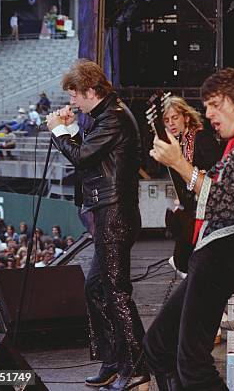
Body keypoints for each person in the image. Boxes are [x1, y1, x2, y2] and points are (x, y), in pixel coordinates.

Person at [144, 68, 234, 391]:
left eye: (215, 105)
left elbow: (228, 202)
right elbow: (213, 192)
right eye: (206, 106)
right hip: (211, 251)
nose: (207, 115)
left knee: (192, 362)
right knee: (158, 345)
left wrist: (181, 165)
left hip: (224, 253)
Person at [46, 59, 148, 390]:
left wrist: (58, 131)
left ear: (90, 91)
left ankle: (136, 365)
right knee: (96, 289)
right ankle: (115, 360)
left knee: (116, 291)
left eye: (74, 95)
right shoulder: (107, 115)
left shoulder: (114, 117)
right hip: (111, 212)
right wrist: (72, 130)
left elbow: (83, 157)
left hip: (114, 214)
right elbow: (96, 152)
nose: (71, 102)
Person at [160, 96, 221, 275]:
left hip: (208, 205)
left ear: (186, 117)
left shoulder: (201, 137)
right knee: (184, 259)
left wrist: (199, 175)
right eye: (167, 120)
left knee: (185, 259)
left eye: (175, 118)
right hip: (191, 207)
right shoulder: (178, 143)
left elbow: (218, 167)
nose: (171, 123)